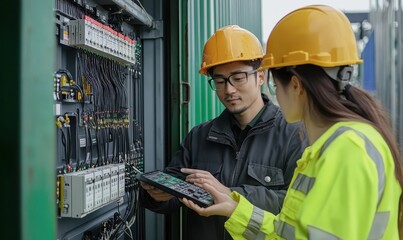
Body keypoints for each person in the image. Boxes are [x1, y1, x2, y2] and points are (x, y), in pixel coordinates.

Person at [181, 5, 403, 240]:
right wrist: (236, 208)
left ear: (296, 86)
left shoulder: (346, 150)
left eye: (275, 85)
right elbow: (291, 234)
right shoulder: (338, 144)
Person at [139, 25, 307, 240]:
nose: (229, 90)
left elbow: (298, 204)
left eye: (238, 78)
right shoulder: (199, 137)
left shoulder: (295, 136)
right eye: (220, 81)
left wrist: (230, 194)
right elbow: (175, 195)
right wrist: (158, 196)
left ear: (261, 77)